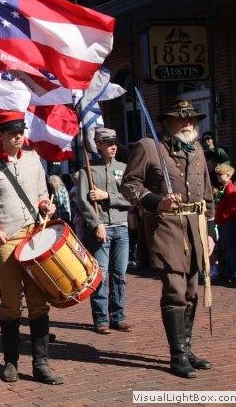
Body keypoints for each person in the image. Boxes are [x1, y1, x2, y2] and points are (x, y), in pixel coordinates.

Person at [121, 100, 213, 379]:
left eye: (193, 120)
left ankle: (187, 348)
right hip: (166, 228)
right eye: (181, 119)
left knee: (192, 291)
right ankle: (178, 356)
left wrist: (210, 232)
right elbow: (129, 184)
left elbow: (207, 195)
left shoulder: (197, 149)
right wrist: (156, 201)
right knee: (175, 289)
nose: (188, 124)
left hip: (195, 229)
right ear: (167, 122)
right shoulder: (150, 147)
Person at [0, 111, 60, 385]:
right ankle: (11, 361)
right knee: (11, 304)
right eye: (11, 133)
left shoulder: (34, 160)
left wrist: (45, 204)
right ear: (0, 135)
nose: (17, 137)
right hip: (6, 243)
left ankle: (41, 363)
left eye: (20, 132)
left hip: (34, 238)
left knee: (38, 302)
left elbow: (41, 193)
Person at [77, 128, 133, 334]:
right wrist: (96, 223)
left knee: (120, 274)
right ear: (98, 145)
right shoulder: (88, 171)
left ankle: (118, 316)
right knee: (101, 275)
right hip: (102, 229)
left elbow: (130, 197)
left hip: (121, 227)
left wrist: (107, 196)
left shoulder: (124, 169)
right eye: (108, 143)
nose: (113, 147)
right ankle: (101, 318)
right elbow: (82, 201)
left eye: (114, 143)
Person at [213, 163, 236, 282]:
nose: (218, 177)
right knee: (226, 248)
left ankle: (235, 274)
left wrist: (222, 218)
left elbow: (232, 208)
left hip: (228, 223)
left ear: (228, 175)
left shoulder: (230, 188)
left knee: (231, 249)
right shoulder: (224, 187)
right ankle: (230, 273)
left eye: (220, 174)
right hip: (222, 222)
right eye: (217, 175)